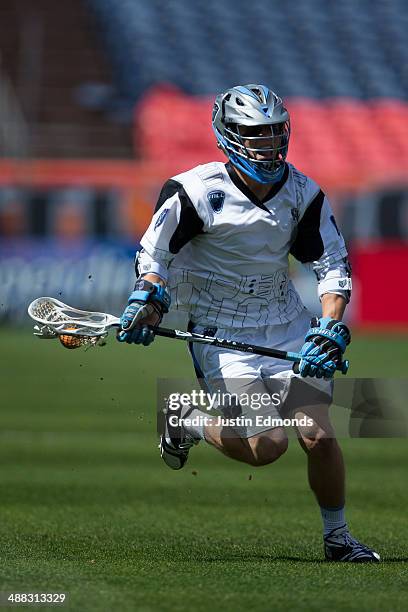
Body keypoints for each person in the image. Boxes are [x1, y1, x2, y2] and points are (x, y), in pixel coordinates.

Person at [118, 84, 380, 562]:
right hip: (220, 334)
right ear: (227, 136)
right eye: (255, 135)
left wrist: (329, 327)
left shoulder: (303, 193)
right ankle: (187, 420)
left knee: (318, 435)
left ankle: (338, 539)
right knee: (266, 446)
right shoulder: (194, 191)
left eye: (275, 133)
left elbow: (333, 267)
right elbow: (154, 256)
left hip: (285, 323)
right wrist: (148, 299)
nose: (268, 145)